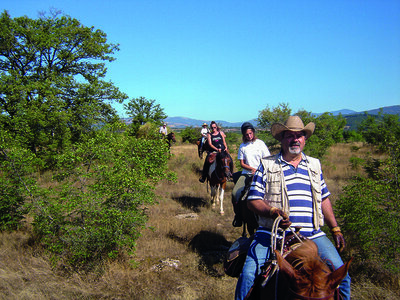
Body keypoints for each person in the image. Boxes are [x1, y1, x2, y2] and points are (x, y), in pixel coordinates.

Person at [235, 116, 351, 300]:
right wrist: (272, 212)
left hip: (313, 234)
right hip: (272, 235)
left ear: (305, 139)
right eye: (290, 136)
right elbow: (253, 200)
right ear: (282, 139)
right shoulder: (267, 164)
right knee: (249, 275)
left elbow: (324, 199)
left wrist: (335, 228)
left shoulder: (314, 165)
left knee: (342, 278)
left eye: (299, 136)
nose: (295, 139)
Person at [232, 122, 270, 225]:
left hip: (262, 173)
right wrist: (252, 169)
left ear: (253, 132)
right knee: (235, 193)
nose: (249, 136)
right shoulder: (242, 146)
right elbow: (242, 163)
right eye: (246, 134)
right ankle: (238, 216)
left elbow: (267, 159)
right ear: (243, 135)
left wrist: (260, 170)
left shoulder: (260, 143)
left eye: (250, 133)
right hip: (246, 173)